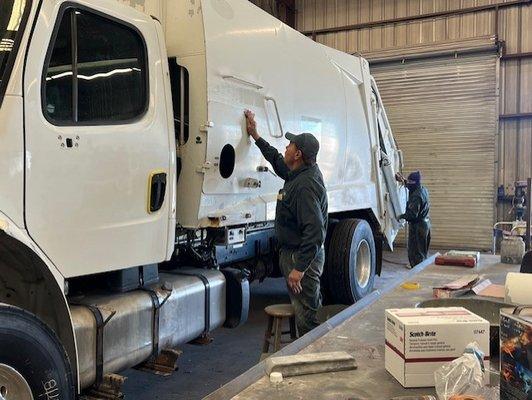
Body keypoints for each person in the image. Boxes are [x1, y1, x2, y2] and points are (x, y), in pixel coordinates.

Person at [244, 110, 328, 336]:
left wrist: (299, 269)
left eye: (290, 145)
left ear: (298, 154)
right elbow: (277, 161)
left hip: (302, 258)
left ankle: (310, 362)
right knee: (305, 311)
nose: (286, 148)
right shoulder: (298, 173)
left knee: (307, 318)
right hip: (296, 254)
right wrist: (256, 135)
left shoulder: (305, 185)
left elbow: (315, 231)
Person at [396, 171, 431, 268]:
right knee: (422, 251)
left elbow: (412, 215)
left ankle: (417, 269)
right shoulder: (423, 189)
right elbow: (410, 185)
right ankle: (419, 266)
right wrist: (403, 180)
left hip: (417, 227)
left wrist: (401, 216)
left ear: (415, 183)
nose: (409, 184)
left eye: (410, 182)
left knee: (416, 252)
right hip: (425, 225)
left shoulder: (416, 196)